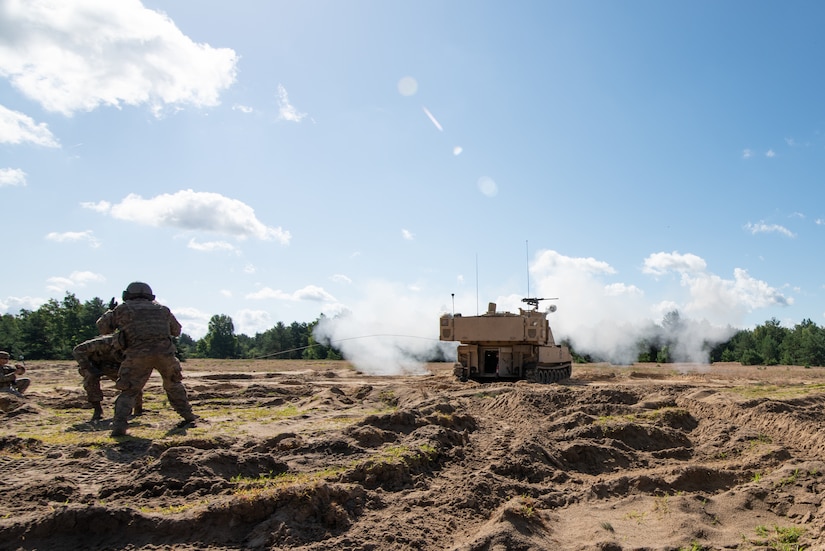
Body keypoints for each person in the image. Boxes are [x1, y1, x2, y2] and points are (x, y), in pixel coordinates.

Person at [97, 282, 196, 437]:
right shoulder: (162, 310)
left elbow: (103, 328)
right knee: (174, 385)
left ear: (127, 294)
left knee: (129, 391)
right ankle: (188, 417)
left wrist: (110, 311)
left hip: (137, 356)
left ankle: (119, 426)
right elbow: (176, 331)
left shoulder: (122, 309)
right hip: (165, 355)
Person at [72, 334, 143, 422]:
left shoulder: (136, 347)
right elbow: (78, 350)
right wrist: (89, 367)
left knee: (132, 382)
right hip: (94, 364)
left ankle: (138, 409)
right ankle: (97, 410)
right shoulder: (104, 342)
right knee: (90, 379)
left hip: (115, 365)